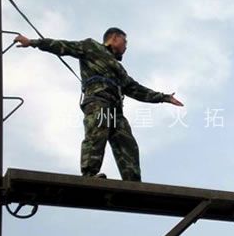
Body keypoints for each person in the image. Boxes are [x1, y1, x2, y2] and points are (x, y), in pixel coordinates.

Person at [14, 28, 184, 182]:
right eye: (125, 42)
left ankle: (132, 180)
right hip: (98, 101)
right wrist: (33, 42)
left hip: (116, 109)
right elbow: (63, 46)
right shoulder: (91, 47)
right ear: (114, 38)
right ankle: (89, 174)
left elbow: (135, 89)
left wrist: (164, 97)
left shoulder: (119, 69)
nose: (126, 47)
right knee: (97, 134)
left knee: (127, 141)